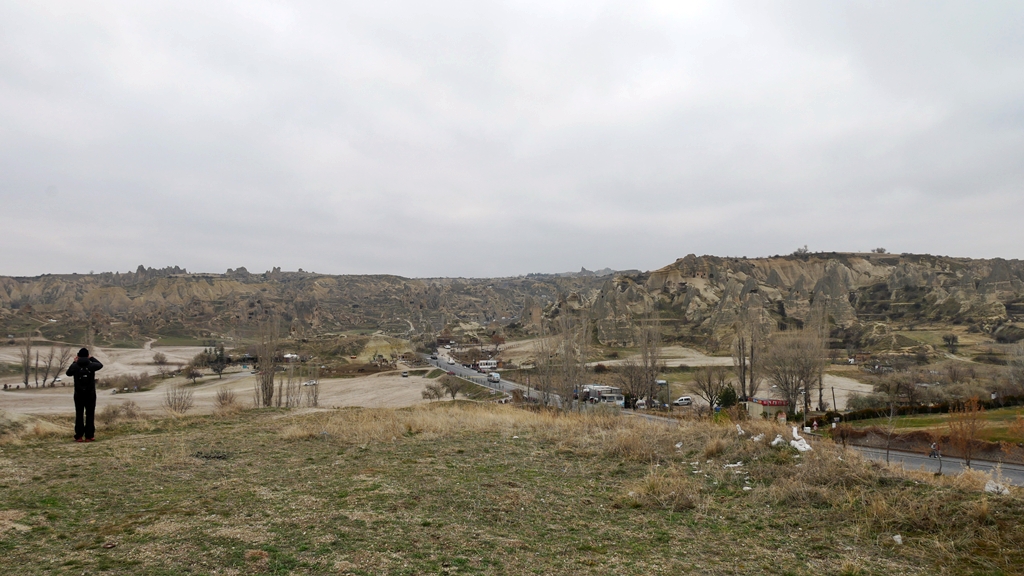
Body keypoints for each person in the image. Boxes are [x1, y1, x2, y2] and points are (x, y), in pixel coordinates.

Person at [66, 348, 103, 442]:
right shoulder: (91, 365)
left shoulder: (75, 366)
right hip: (90, 394)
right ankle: (89, 436)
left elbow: (68, 373)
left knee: (79, 415)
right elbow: (100, 365)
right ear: (87, 355)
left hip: (78, 394)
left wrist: (74, 362)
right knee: (90, 414)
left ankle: (79, 436)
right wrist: (92, 358)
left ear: (78, 356)